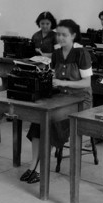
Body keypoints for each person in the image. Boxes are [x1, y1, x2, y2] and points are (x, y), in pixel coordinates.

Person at [22, 19, 93, 184]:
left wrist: (63, 83)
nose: (60, 38)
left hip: (80, 100)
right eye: (58, 34)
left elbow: (86, 83)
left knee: (52, 122)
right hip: (61, 98)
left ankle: (41, 168)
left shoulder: (82, 53)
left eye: (64, 35)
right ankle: (33, 164)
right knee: (38, 121)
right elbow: (53, 76)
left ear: (73, 36)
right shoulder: (56, 53)